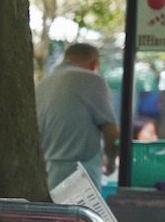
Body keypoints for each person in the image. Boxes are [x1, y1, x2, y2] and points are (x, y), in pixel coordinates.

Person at [35, 43, 119, 190]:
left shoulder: (42, 84)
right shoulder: (91, 80)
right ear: (94, 64)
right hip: (80, 175)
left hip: (46, 173)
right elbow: (110, 130)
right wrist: (111, 162)